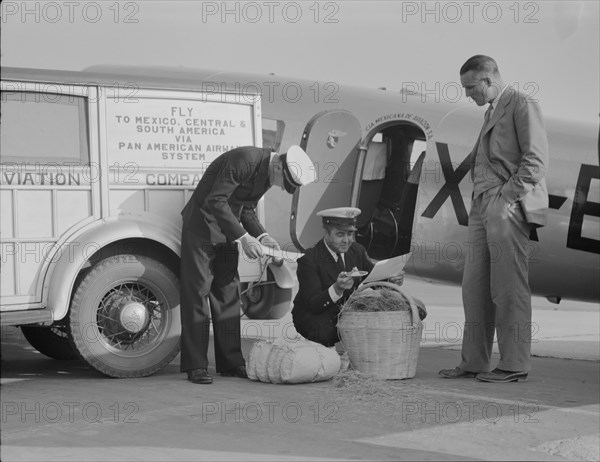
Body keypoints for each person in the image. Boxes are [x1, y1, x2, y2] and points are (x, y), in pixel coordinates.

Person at [439, 55, 549, 383]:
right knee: (474, 288)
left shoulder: (521, 103)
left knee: (508, 288)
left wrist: (504, 200)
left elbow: (537, 161)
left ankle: (514, 364)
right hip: (482, 207)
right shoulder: (491, 110)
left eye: (471, 87)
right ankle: (474, 362)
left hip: (506, 206)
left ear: (488, 81)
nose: (468, 94)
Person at [180, 145, 316, 384]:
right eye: (283, 183)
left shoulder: (267, 171)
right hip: (201, 229)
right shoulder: (244, 160)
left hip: (225, 232)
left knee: (228, 294)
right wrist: (244, 238)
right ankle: (196, 365)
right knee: (198, 294)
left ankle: (231, 362)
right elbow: (216, 200)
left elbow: (247, 208)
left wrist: (263, 237)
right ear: (277, 166)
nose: (280, 188)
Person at [292, 207, 404, 347]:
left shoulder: (357, 251)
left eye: (350, 233)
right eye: (340, 234)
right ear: (325, 233)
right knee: (327, 334)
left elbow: (374, 279)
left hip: (345, 314)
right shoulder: (309, 260)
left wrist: (391, 279)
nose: (347, 240)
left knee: (380, 323)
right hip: (315, 317)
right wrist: (337, 288)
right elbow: (314, 304)